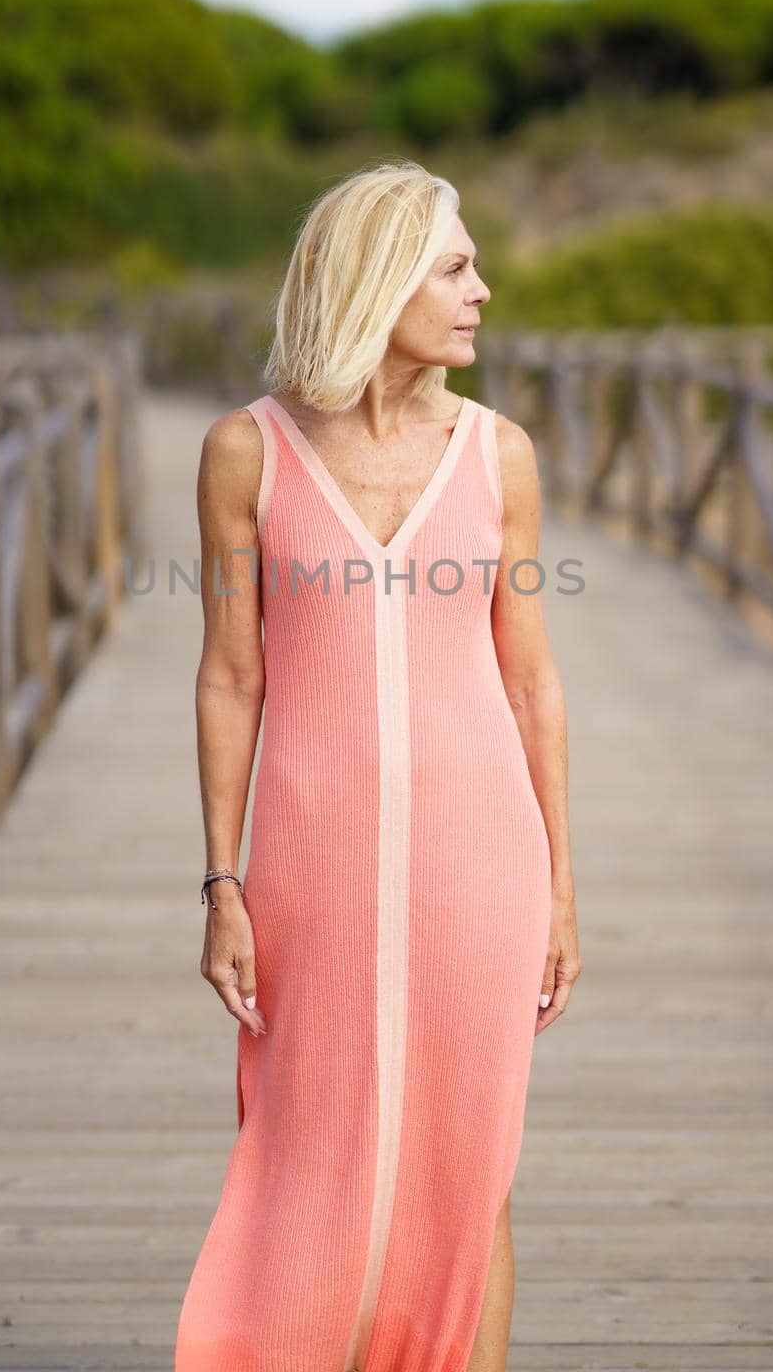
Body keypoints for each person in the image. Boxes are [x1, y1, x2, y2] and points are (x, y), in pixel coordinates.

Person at [175, 160, 580, 1372]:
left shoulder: (497, 454)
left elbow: (529, 681)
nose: (482, 292)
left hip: (481, 866)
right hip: (308, 870)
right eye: (455, 268)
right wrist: (220, 884)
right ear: (380, 281)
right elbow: (229, 676)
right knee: (303, 1155)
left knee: (470, 1169)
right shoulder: (245, 453)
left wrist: (560, 886)